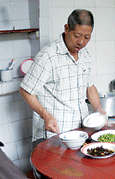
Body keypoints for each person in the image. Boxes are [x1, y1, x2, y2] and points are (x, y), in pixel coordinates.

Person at [20, 9, 105, 147]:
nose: (81, 42)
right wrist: (45, 115)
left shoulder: (84, 55)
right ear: (66, 28)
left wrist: (98, 109)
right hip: (54, 134)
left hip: (80, 132)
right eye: (77, 35)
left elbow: (89, 86)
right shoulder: (48, 56)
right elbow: (26, 90)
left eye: (87, 37)